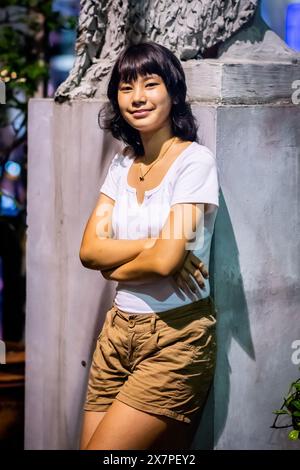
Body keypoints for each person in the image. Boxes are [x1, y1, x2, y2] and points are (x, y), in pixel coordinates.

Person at [78, 41, 219, 450]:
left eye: (150, 84)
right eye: (125, 87)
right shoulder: (123, 162)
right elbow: (88, 250)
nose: (137, 97)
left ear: (173, 93)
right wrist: (157, 242)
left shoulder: (194, 162)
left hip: (175, 337)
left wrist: (114, 265)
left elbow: (163, 263)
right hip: (116, 333)